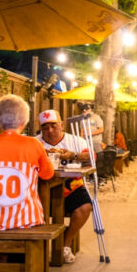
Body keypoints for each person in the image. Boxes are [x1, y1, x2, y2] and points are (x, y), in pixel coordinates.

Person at [0, 94, 54, 231]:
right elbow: (47, 174)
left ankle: (0, 253)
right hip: (26, 218)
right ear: (24, 121)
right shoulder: (34, 144)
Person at [36, 110, 92, 263]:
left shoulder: (76, 141)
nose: (50, 131)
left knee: (85, 207)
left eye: (53, 126)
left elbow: (90, 158)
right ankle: (35, 251)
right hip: (40, 189)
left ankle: (65, 245)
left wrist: (73, 155)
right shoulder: (35, 142)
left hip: (71, 186)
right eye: (45, 127)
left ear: (61, 125)